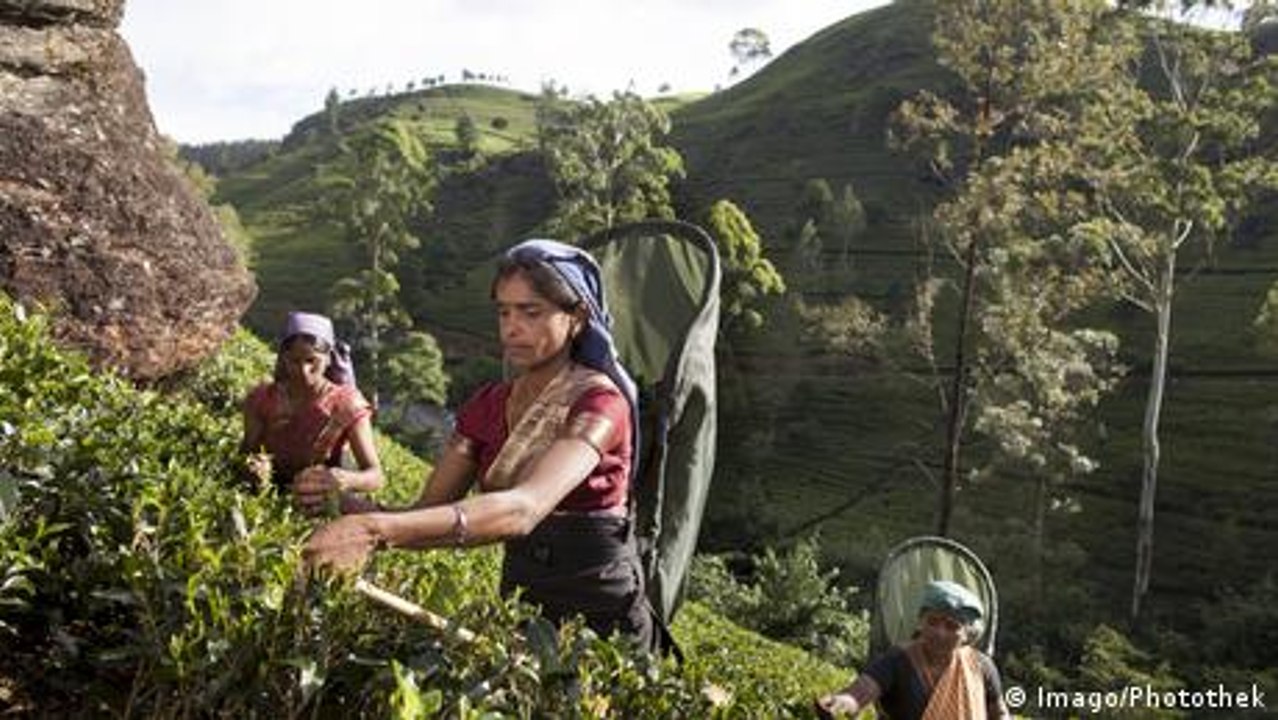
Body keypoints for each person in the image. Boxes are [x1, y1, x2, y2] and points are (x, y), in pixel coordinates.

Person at [302, 238, 668, 654]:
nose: (512, 327)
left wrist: (374, 530)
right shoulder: (487, 405)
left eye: (531, 312)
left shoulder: (601, 404)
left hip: (603, 619)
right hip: (522, 607)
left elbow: (525, 507)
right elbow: (423, 518)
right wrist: (345, 504)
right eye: (504, 312)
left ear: (578, 317)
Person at [241, 311, 383, 511]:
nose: (303, 371)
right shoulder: (261, 399)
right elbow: (247, 451)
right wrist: (253, 467)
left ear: (328, 359)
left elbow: (375, 475)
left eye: (311, 361)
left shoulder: (347, 405)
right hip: (267, 495)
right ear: (283, 358)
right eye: (294, 361)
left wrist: (341, 479)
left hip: (321, 500)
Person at [815, 580, 1012, 720]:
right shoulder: (898, 660)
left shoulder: (981, 666)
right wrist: (841, 702)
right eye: (932, 622)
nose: (940, 632)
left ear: (967, 635)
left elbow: (999, 714)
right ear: (920, 622)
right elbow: (861, 692)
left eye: (952, 626)